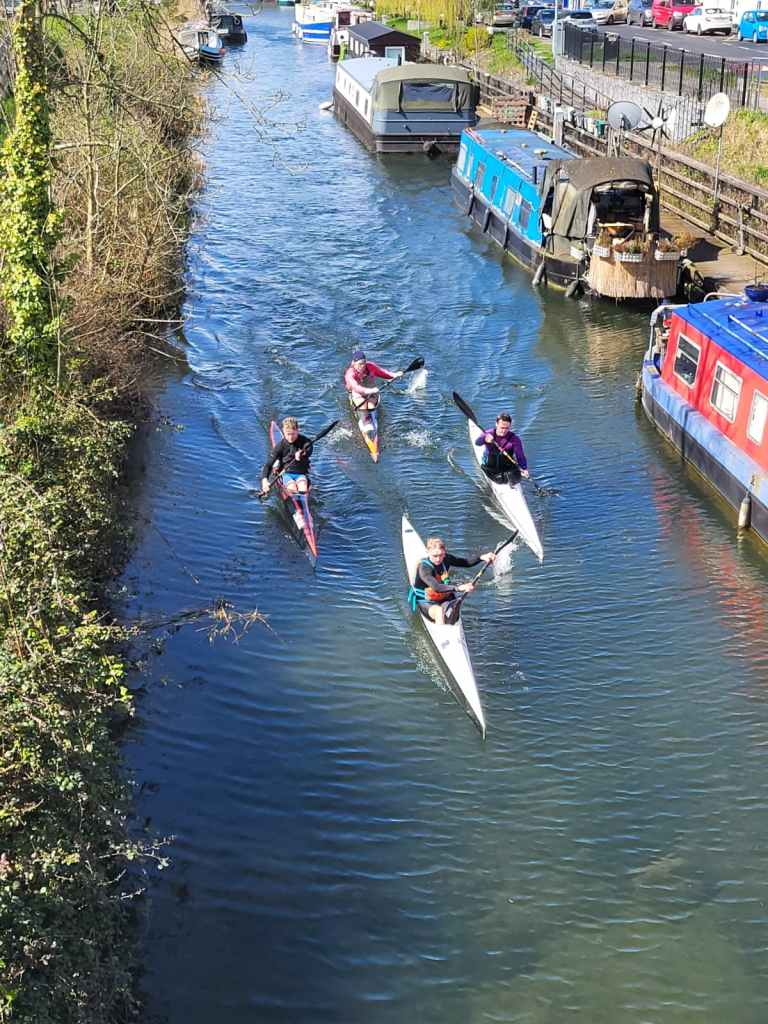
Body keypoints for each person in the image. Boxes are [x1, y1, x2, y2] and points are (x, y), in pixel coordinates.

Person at [408, 537, 496, 626]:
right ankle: (442, 632)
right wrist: (458, 588)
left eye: (441, 555)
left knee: (455, 607)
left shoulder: (446, 558)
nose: (438, 559)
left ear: (444, 553)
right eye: (435, 556)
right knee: (439, 611)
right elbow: (436, 587)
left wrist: (481, 557)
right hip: (426, 601)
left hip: (444, 597)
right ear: (428, 552)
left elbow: (465, 562)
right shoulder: (424, 568)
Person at [261, 417, 313, 528]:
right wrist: (265, 481)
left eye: (293, 434)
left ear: (298, 430)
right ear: (283, 432)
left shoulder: (305, 441)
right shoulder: (280, 446)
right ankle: (298, 513)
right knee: (292, 488)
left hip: (301, 474)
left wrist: (302, 453)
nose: (290, 437)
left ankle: (306, 513)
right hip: (287, 473)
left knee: (303, 487)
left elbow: (309, 450)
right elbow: (268, 465)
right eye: (287, 434)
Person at [344, 350, 401, 432]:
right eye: (360, 364)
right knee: (363, 407)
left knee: (371, 406)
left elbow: (383, 373)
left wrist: (394, 375)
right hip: (358, 393)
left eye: (364, 363)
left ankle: (371, 418)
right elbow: (356, 388)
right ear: (354, 363)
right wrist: (370, 390)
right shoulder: (350, 374)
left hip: (371, 392)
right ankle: (365, 422)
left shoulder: (370, 366)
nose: (362, 366)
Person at [475, 412, 529, 485]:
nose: (504, 431)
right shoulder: (488, 433)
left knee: (517, 478)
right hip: (490, 467)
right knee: (501, 479)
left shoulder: (515, 439)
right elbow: (477, 443)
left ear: (510, 426)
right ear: (496, 424)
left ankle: (510, 483)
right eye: (502, 428)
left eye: (507, 428)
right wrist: (485, 439)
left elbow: (520, 456)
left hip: (507, 467)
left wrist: (524, 468)